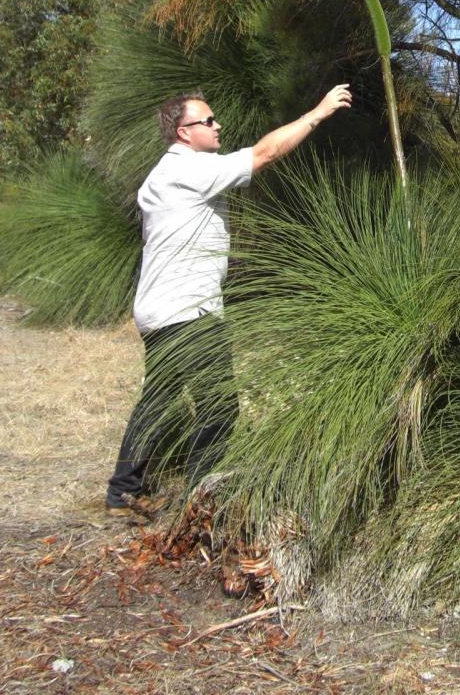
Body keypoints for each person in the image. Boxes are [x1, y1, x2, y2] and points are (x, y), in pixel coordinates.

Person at [105, 84, 352, 517]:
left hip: (160, 309)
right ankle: (199, 503)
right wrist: (316, 114)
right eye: (208, 121)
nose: (218, 125)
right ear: (184, 132)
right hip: (188, 310)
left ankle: (122, 492)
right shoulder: (190, 169)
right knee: (219, 406)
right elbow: (264, 154)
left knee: (158, 400)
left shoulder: (164, 173)